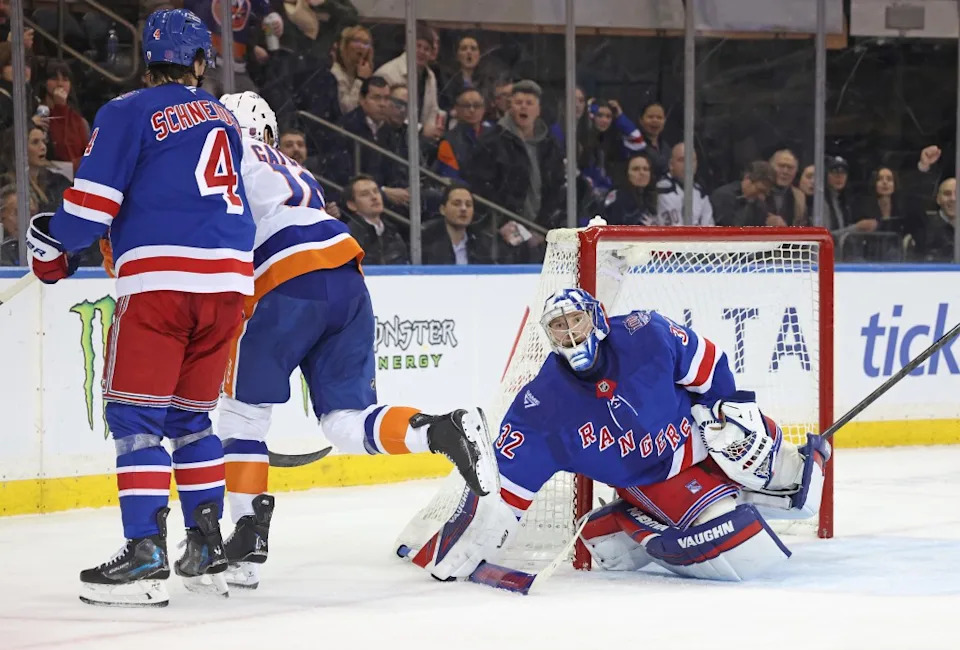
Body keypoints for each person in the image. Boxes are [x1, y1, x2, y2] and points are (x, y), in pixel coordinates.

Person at [214, 92, 496, 589]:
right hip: (346, 276)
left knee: (242, 415)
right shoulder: (292, 168)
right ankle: (440, 430)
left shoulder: (224, 153)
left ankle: (246, 542)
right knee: (344, 423)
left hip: (284, 281)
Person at [25, 9, 257, 607]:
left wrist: (51, 244)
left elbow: (91, 209)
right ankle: (206, 547)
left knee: (136, 421)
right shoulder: (226, 118)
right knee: (191, 420)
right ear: (200, 62)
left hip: (161, 283)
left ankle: (145, 554)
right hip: (230, 285)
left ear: (146, 58)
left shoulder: (128, 110)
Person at [403, 288, 830, 583]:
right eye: (559, 327)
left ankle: (750, 484)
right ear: (548, 338)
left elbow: (709, 362)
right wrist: (467, 542)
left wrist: (724, 408)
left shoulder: (647, 333)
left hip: (701, 436)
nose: (571, 334)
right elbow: (504, 491)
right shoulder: (541, 406)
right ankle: (624, 523)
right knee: (734, 544)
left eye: (577, 321)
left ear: (597, 317)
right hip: (652, 476)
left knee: (798, 481)